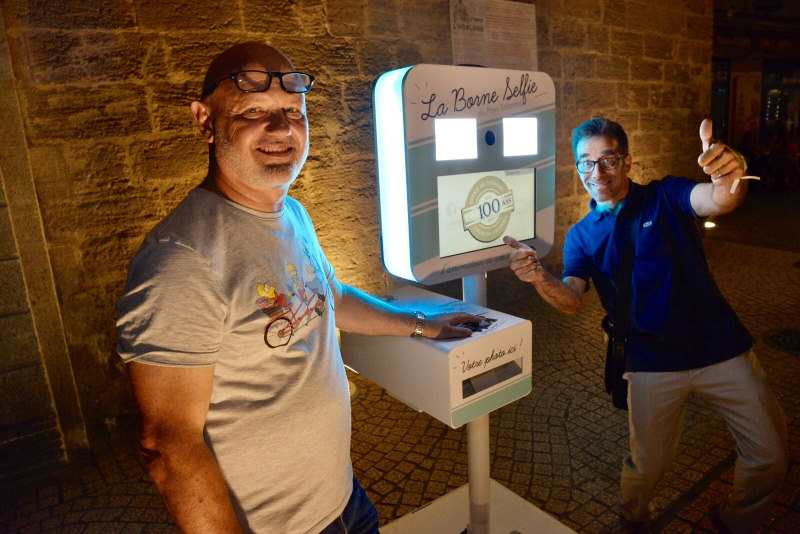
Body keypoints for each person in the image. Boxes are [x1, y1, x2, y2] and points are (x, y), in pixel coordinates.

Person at [116, 42, 482, 534]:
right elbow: (168, 446)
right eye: (253, 112)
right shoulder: (182, 259)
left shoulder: (291, 212)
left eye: (293, 111)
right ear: (205, 121)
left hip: (344, 498)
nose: (282, 128)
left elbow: (330, 296)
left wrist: (420, 325)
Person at [504, 118, 787, 534]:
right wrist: (538, 278)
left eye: (608, 160)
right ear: (577, 168)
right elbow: (571, 300)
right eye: (586, 163)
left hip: (720, 347)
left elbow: (718, 200)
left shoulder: (665, 196)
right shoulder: (581, 235)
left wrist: (730, 173)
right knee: (646, 464)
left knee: (769, 454)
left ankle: (733, 522)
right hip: (650, 361)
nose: (597, 173)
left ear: (627, 162)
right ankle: (634, 518)